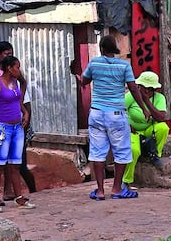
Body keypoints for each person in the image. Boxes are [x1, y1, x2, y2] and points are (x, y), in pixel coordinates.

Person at [70, 35, 164, 201]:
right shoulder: (124, 65)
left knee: (97, 153)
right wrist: (144, 109)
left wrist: (77, 76)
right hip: (116, 114)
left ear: (102, 48)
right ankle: (116, 189)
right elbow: (134, 89)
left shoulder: (94, 63)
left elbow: (84, 82)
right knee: (121, 152)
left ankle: (99, 191)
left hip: (97, 113)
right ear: (114, 49)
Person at [0, 42, 36, 203]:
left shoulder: (15, 80)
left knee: (14, 162)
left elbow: (21, 91)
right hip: (1, 123)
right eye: (6, 53)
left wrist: (25, 111)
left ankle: (12, 193)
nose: (9, 56)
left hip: (16, 125)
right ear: (0, 56)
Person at [121, 71, 169, 193]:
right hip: (133, 131)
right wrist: (127, 124)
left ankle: (154, 155)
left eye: (149, 89)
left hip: (148, 129)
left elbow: (161, 117)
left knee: (163, 128)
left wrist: (147, 101)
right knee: (134, 151)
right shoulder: (130, 96)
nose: (146, 91)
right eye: (143, 88)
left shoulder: (159, 98)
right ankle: (126, 180)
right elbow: (118, 111)